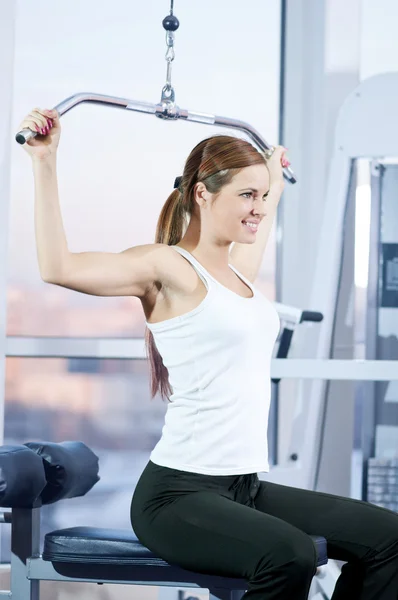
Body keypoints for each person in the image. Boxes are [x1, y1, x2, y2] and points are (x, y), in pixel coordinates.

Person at [19, 107, 398, 599]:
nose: (258, 208)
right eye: (246, 195)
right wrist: (44, 163)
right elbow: (58, 267)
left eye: (261, 197)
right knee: (290, 554)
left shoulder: (238, 274)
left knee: (388, 539)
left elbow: (259, 208)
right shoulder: (168, 266)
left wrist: (270, 183)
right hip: (177, 495)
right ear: (202, 193)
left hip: (244, 487)